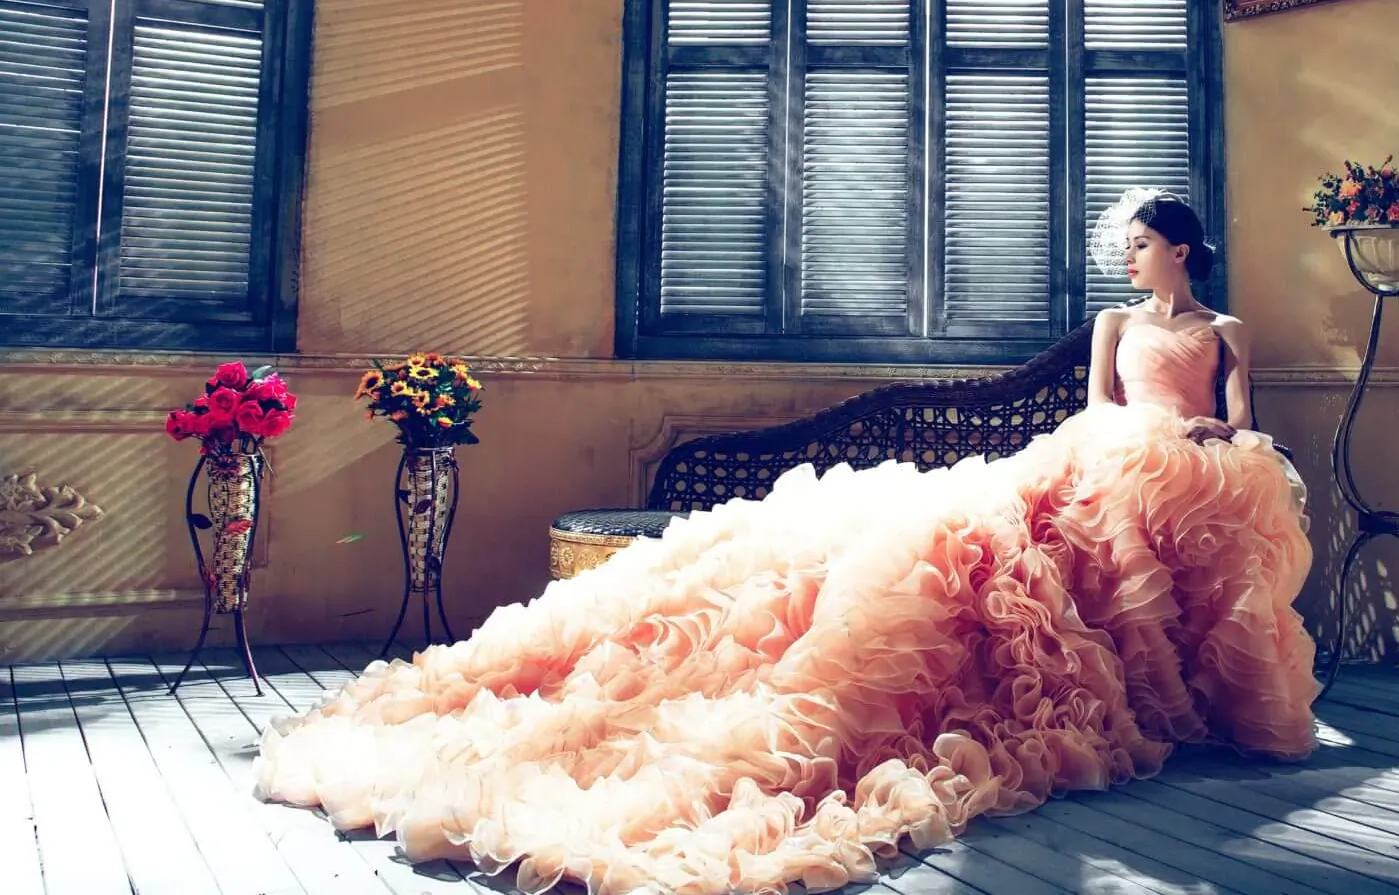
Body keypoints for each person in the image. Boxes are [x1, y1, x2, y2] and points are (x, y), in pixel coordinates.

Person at [254, 188, 1319, 895]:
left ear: (1181, 248)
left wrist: (1203, 438)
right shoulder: (1114, 326)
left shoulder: (1223, 329)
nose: (1129, 256)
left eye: (1142, 242)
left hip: (1190, 459)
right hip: (1105, 454)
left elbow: (1239, 415)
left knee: (1220, 498)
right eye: (1126, 245)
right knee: (1050, 531)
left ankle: (1193, 696)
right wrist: (1135, 442)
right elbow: (1093, 410)